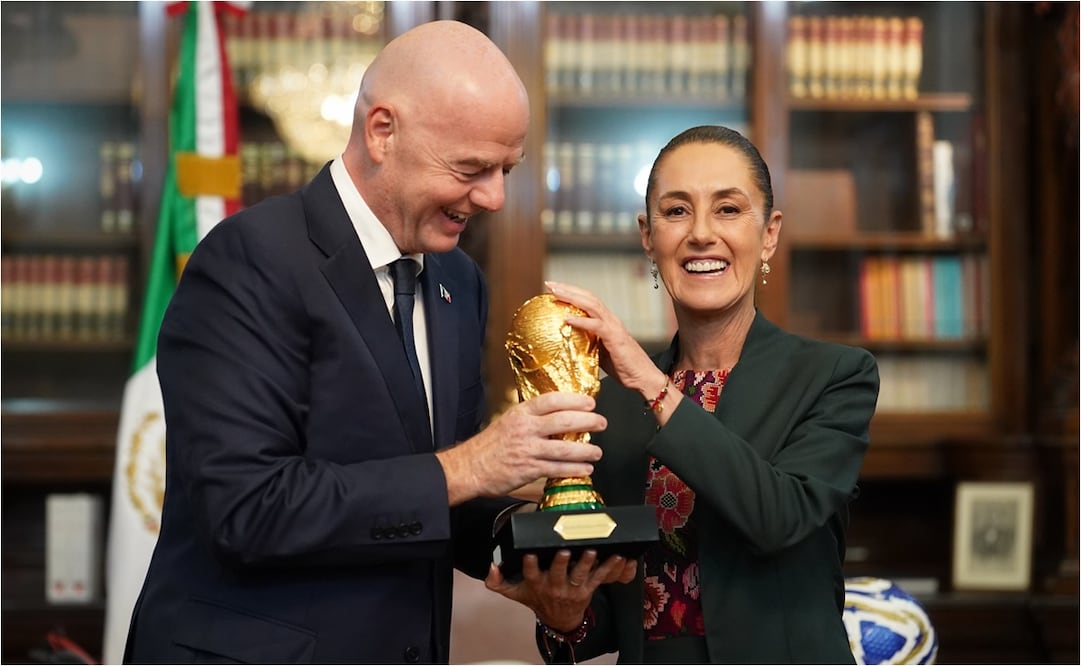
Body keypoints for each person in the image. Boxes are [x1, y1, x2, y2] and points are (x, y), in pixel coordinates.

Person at [124, 20, 633, 664]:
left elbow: (439, 496)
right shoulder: (249, 258)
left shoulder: (458, 280)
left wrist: (534, 546)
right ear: (382, 131)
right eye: (471, 167)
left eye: (507, 168)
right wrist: (474, 463)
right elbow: (247, 509)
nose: (496, 197)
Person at [486, 124, 880, 664]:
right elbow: (613, 606)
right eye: (676, 212)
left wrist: (652, 383)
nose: (700, 234)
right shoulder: (609, 403)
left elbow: (779, 518)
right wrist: (565, 617)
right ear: (648, 236)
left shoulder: (834, 375)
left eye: (728, 210)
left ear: (769, 233)